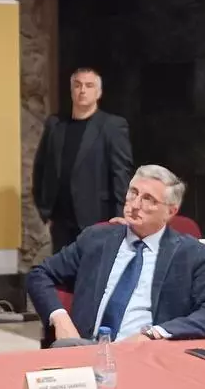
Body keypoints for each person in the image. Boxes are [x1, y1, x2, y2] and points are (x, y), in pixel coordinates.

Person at [27, 165, 205, 346]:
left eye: (148, 199)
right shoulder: (97, 239)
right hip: (83, 348)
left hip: (146, 355)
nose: (134, 205)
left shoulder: (191, 254)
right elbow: (39, 274)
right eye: (133, 193)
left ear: (170, 212)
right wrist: (60, 318)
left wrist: (155, 333)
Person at [32, 67, 134, 252]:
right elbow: (41, 166)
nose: (82, 90)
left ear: (98, 92)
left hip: (98, 217)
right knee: (63, 268)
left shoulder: (111, 126)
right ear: (72, 90)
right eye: (78, 85)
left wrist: (121, 214)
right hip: (61, 221)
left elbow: (121, 173)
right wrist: (44, 206)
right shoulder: (55, 124)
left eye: (89, 85)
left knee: (94, 268)